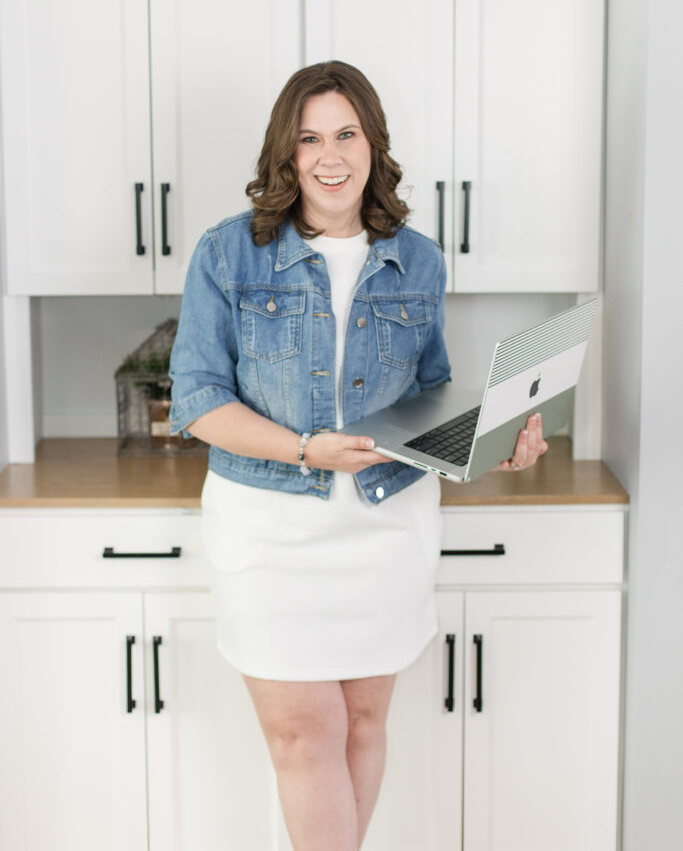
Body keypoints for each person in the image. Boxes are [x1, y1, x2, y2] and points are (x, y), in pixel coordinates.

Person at [169, 60, 547, 850]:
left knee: (362, 724)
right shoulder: (228, 253)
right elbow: (198, 399)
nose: (329, 156)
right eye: (309, 139)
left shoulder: (419, 258)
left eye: (345, 134)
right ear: (286, 151)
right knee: (303, 735)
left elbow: (429, 395)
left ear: (373, 143)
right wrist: (305, 450)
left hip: (386, 527)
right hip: (269, 530)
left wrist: (494, 443)